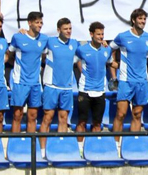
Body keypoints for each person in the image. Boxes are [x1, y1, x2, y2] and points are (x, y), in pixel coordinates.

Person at [110, 9, 148, 141]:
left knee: (137, 113)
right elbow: (110, 49)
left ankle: (134, 144)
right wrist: (113, 63)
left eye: (144, 19)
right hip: (125, 80)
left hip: (141, 81)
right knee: (121, 113)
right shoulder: (122, 36)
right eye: (140, 19)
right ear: (134, 20)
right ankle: (116, 144)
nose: (143, 21)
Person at [39, 18, 78, 156]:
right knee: (47, 118)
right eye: (65, 29)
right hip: (51, 86)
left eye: (70, 28)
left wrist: (102, 43)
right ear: (58, 30)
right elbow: (34, 39)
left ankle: (62, 149)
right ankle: (42, 151)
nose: (68, 31)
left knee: (63, 118)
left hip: (66, 87)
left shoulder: (74, 44)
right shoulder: (49, 42)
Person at [8, 11, 49, 133]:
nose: (40, 25)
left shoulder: (44, 39)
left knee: (33, 116)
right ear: (29, 23)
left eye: (41, 22)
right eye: (37, 22)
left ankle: (30, 147)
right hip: (20, 82)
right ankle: (15, 145)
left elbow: (44, 56)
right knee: (17, 115)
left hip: (35, 83)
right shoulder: (18, 37)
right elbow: (9, 55)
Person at [75, 22, 114, 142]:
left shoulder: (107, 50)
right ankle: (80, 148)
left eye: (102, 34)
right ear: (91, 34)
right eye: (98, 34)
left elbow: (111, 63)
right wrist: (83, 72)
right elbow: (76, 61)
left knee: (97, 122)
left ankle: (94, 147)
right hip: (85, 90)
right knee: (82, 121)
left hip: (100, 91)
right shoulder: (82, 49)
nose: (101, 37)